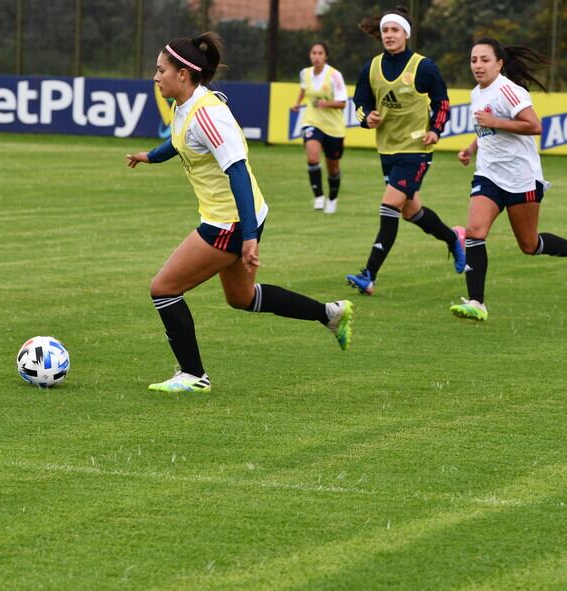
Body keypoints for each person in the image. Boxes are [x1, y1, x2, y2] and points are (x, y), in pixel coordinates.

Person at [125, 32, 353, 394]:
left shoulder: (209, 114)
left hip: (229, 221)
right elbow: (180, 140)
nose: (156, 77)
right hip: (234, 218)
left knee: (164, 288)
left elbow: (238, 171)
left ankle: (193, 375)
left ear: (183, 74)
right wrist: (150, 156)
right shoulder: (185, 106)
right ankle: (329, 313)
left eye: (160, 70)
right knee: (242, 298)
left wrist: (248, 236)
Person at [345, 6, 466, 296]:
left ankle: (368, 274)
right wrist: (367, 117)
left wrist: (436, 129)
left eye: (394, 30)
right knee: (412, 211)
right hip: (387, 149)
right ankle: (453, 239)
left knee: (389, 206)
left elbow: (442, 102)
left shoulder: (423, 67)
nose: (389, 35)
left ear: (406, 34)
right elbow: (360, 101)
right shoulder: (371, 67)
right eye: (385, 30)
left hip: (416, 149)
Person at [451, 38, 566, 321]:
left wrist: (496, 123)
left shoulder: (509, 91)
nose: (478, 65)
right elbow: (485, 128)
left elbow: (535, 125)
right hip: (488, 174)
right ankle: (477, 303)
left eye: (484, 60)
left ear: (499, 63)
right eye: (474, 60)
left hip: (521, 179)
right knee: (475, 232)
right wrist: (470, 147)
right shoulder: (477, 92)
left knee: (529, 245)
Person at [292, 42, 348, 214]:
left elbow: (343, 103)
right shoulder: (305, 73)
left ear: (326, 56)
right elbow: (303, 89)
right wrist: (297, 102)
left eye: (320, 53)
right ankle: (318, 196)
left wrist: (326, 103)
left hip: (334, 127)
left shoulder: (335, 76)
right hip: (312, 121)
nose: (316, 56)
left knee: (333, 167)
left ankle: (332, 198)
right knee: (313, 156)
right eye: (313, 53)